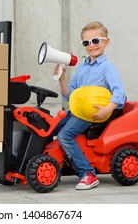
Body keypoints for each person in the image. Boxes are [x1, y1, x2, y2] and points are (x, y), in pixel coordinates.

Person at [52, 21, 126, 190]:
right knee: (49, 128)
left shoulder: (108, 68)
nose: (91, 45)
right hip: (77, 111)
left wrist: (107, 109)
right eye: (86, 43)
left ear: (106, 42)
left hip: (92, 114)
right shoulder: (82, 68)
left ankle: (87, 174)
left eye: (95, 41)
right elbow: (68, 95)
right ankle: (57, 162)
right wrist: (61, 78)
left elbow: (119, 93)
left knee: (65, 135)